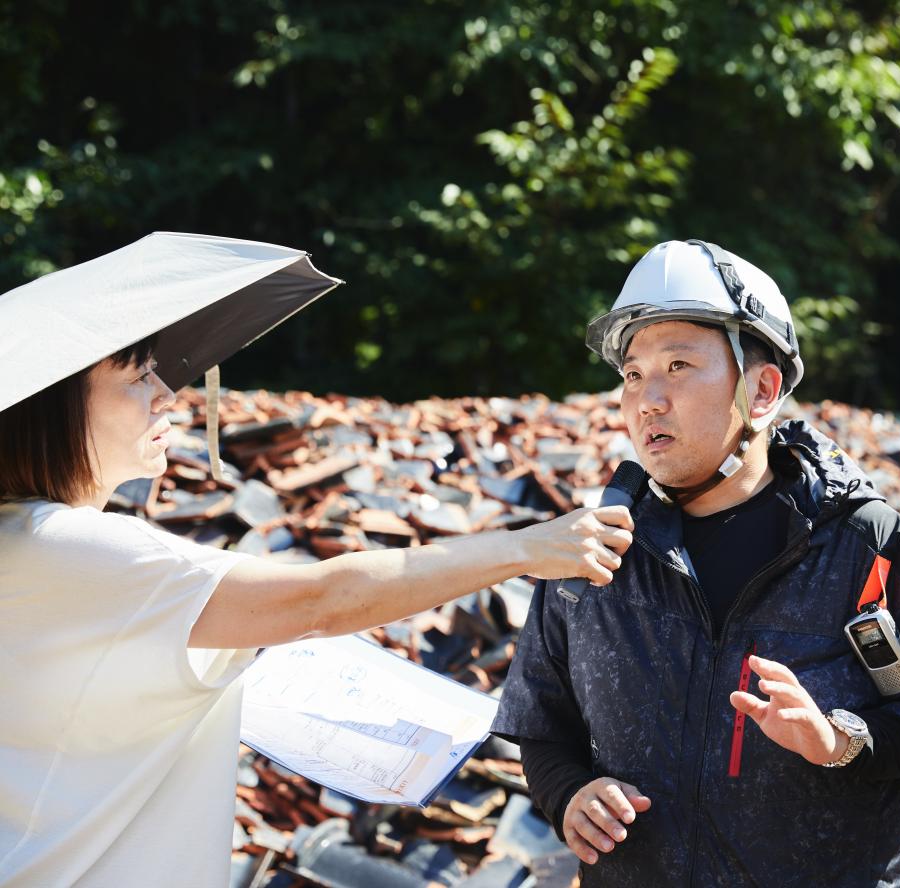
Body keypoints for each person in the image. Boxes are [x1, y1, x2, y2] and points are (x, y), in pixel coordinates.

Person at [0, 236, 633, 887]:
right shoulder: (71, 548)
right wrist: (527, 546)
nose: (167, 395)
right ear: (53, 408)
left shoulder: (24, 544)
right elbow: (321, 599)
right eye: (137, 377)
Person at [492, 239, 900, 887]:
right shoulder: (593, 553)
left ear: (761, 391)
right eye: (632, 374)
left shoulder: (864, 547)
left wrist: (840, 741)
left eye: (678, 365)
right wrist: (569, 794)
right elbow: (541, 724)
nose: (647, 399)